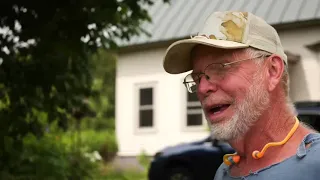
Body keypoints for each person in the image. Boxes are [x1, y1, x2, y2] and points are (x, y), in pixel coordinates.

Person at [162, 11, 320, 180]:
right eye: (197, 78)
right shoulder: (225, 172)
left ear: (272, 71)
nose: (202, 88)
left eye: (219, 69)